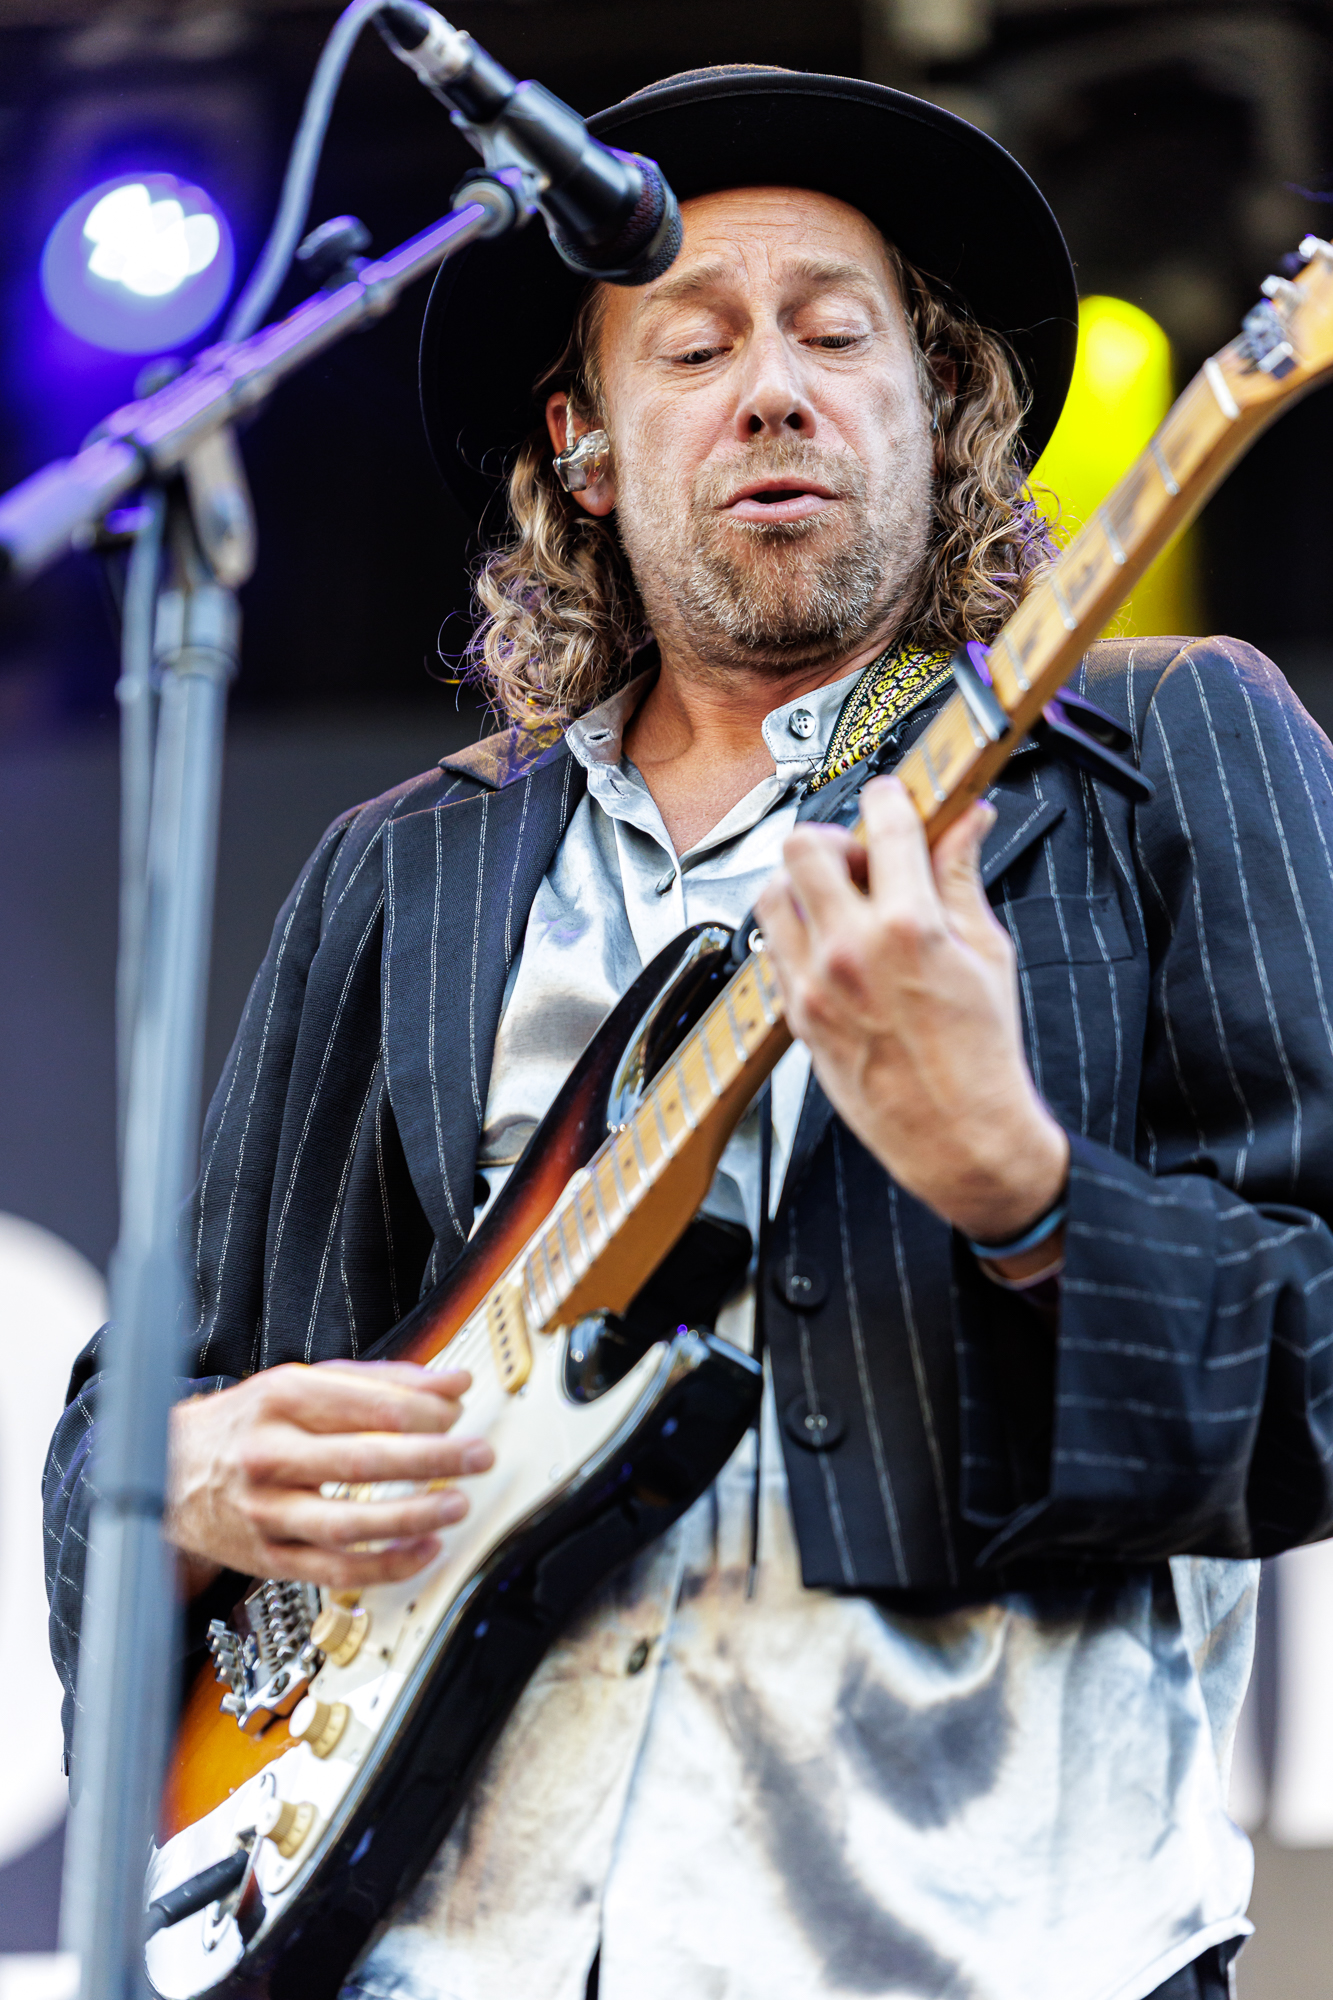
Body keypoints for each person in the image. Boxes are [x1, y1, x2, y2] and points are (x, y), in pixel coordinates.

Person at [44, 64, 1333, 2000]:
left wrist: (1015, 1177)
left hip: (985, 1939)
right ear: (581, 445)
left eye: (837, 333)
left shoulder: (1169, 749)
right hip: (435, 1945)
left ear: (938, 406)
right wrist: (191, 1476)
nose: (776, 389)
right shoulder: (405, 871)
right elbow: (141, 1427)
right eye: (693, 346)